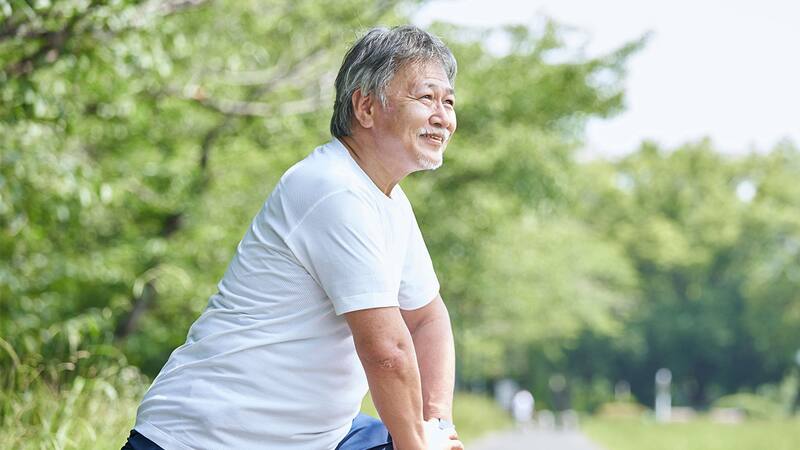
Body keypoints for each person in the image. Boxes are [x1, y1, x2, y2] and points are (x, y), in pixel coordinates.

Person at [122, 25, 463, 450]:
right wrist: (416, 444)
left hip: (315, 437)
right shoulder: (332, 188)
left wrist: (437, 424)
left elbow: (427, 317)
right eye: (426, 98)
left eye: (448, 102)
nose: (442, 115)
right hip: (205, 436)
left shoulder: (387, 200)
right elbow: (387, 350)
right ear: (366, 107)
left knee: (390, 435)